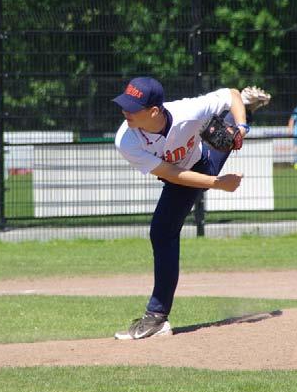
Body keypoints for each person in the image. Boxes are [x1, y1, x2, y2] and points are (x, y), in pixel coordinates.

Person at [111, 77, 270, 340]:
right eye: (124, 104)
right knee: (163, 232)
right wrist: (218, 183)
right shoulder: (127, 140)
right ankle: (158, 318)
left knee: (162, 232)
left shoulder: (187, 111)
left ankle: (156, 318)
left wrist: (241, 128)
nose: (125, 110)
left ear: (153, 111)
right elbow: (172, 173)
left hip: (201, 163)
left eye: (132, 106)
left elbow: (230, 93)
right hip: (181, 176)